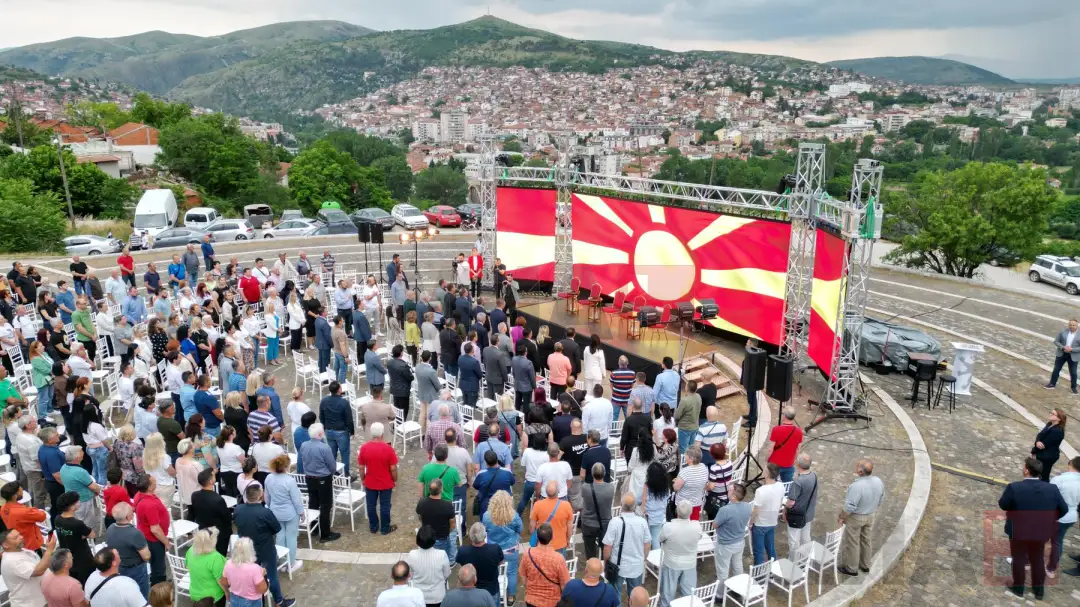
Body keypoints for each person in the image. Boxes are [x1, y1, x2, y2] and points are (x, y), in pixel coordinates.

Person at [996, 457, 1069, 599]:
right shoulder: (1052, 489)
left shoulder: (1014, 487)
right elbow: (1064, 509)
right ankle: (1039, 591)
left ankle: (1018, 588)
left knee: (1018, 558)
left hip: (1018, 530)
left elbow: (1003, 504)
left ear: (1026, 470)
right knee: (1037, 559)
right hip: (1040, 532)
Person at [234, 483, 295, 607]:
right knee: (271, 576)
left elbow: (237, 524)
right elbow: (276, 529)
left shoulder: (238, 509)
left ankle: (257, 597)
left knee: (251, 574)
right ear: (260, 496)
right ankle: (279, 601)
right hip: (265, 549)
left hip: (247, 548)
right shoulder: (265, 512)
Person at [838, 458, 886, 577]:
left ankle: (852, 568)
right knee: (866, 540)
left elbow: (849, 507)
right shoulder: (878, 481)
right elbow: (881, 499)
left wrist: (842, 517)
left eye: (857, 466)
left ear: (860, 471)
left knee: (853, 542)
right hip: (871, 515)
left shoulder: (857, 486)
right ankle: (865, 565)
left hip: (856, 517)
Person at [602, 493, 651, 602]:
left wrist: (606, 562)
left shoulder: (614, 522)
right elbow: (647, 544)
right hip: (636, 566)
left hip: (617, 566)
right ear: (635, 507)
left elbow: (607, 547)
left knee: (615, 595)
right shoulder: (642, 522)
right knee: (634, 596)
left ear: (621, 505)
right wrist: (643, 558)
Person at [481, 490, 523, 604]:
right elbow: (520, 529)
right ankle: (510, 597)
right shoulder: (514, 516)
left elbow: (484, 530)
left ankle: (496, 594)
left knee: (493, 571)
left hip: (492, 550)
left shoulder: (486, 516)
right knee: (511, 572)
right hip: (510, 550)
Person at [263, 455, 303, 572]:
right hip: (290, 513)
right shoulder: (289, 481)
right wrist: (301, 513)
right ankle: (291, 563)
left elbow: (267, 496)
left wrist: (270, 507)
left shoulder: (269, 478)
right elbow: (296, 500)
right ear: (286, 466)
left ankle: (282, 561)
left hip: (275, 511)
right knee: (291, 537)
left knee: (280, 536)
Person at [658, 502, 701, 607]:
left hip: (672, 564)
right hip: (689, 564)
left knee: (667, 594)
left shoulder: (669, 527)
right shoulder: (697, 526)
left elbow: (660, 539)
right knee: (688, 595)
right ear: (690, 513)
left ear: (677, 512)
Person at [358, 422, 399, 535]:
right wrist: (395, 479)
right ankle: (385, 528)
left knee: (371, 505)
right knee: (385, 505)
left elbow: (361, 467)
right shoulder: (388, 449)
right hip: (386, 482)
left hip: (370, 481)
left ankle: (373, 527)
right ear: (382, 434)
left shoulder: (364, 448)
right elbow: (393, 468)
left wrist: (363, 478)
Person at [0, 528, 57, 607]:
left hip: (41, 598)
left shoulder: (22, 550)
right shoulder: (11, 561)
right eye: (15, 538)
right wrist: (49, 550)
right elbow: (38, 571)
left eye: (19, 534)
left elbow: (39, 564)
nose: (21, 537)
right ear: (5, 545)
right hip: (31, 603)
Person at [106, 501, 152, 598]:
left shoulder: (110, 528)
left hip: (118, 567)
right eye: (132, 512)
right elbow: (146, 557)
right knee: (141, 595)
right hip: (135, 569)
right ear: (128, 517)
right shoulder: (135, 533)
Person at [712, 482, 752, 581]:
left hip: (725, 544)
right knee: (737, 566)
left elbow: (715, 525)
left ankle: (720, 594)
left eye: (729, 490)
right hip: (739, 541)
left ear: (734, 496)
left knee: (723, 570)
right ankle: (738, 589)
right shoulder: (747, 506)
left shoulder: (724, 510)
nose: (727, 491)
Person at [53, 491, 96, 584]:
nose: (79, 503)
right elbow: (92, 534)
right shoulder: (77, 523)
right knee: (88, 581)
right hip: (82, 558)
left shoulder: (57, 519)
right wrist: (82, 535)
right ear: (72, 507)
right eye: (77, 502)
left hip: (67, 556)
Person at [405, 526, 452, 607]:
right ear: (434, 540)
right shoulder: (442, 554)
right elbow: (447, 573)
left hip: (419, 596)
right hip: (438, 596)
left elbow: (410, 575)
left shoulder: (412, 554)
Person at [782, 453, 819, 555]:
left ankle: (794, 563)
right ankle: (805, 560)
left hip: (797, 516)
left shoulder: (798, 482)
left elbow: (791, 503)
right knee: (805, 538)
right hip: (809, 513)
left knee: (793, 541)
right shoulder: (814, 475)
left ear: (797, 464)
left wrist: (784, 509)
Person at [456, 523, 504, 599]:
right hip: (491, 591)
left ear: (470, 536)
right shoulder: (495, 549)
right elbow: (501, 563)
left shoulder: (463, 551)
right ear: (485, 536)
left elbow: (461, 566)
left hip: (470, 591)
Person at [1050, 456, 1080, 578]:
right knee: (1058, 541)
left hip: (1056, 516)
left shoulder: (1059, 480)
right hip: (1071, 516)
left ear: (1070, 464)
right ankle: (1051, 567)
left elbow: (1049, 498)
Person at [60, 446, 102, 532]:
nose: (83, 452)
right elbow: (93, 487)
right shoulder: (80, 472)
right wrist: (98, 491)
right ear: (77, 457)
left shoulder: (63, 467)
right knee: (87, 523)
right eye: (81, 451)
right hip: (83, 500)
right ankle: (88, 540)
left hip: (72, 499)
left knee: (77, 520)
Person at [191, 468, 232, 557]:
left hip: (203, 529)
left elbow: (193, 512)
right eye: (213, 475)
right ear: (210, 481)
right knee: (220, 555)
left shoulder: (195, 495)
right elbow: (227, 517)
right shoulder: (218, 499)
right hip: (219, 532)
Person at [221, 537, 272, 607]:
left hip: (234, 597)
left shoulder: (228, 563)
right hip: (251, 601)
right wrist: (264, 576)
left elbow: (224, 582)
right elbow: (262, 590)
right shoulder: (255, 568)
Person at [318, 381, 355, 477]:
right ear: (339, 389)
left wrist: (325, 426)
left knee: (332, 453)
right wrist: (352, 432)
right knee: (345, 454)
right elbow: (349, 420)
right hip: (341, 431)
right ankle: (346, 475)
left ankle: (332, 472)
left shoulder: (324, 401)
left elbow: (321, 416)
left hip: (329, 430)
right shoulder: (344, 403)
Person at [416, 478, 458, 563]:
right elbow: (453, 524)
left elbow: (419, 516)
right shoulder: (447, 505)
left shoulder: (422, 503)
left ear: (429, 489)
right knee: (442, 559)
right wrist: (447, 532)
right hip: (442, 537)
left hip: (426, 537)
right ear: (441, 489)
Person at [0, 481, 48, 554]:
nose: (22, 493)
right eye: (21, 491)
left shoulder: (3, 508)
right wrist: (31, 509)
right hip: (31, 546)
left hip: (17, 543)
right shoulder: (24, 511)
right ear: (14, 496)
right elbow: (42, 516)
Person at [581, 462, 615, 560]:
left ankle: (592, 568)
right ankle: (604, 567)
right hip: (605, 524)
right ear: (604, 473)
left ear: (592, 474)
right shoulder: (610, 488)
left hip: (588, 523)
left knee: (589, 550)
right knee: (605, 548)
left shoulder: (585, 487)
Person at [530, 480, 574, 555]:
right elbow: (570, 526)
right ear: (558, 492)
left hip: (542, 543)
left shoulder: (537, 505)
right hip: (560, 544)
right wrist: (568, 539)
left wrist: (534, 537)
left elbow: (532, 526)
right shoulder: (566, 506)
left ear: (546, 492)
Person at [186, 528, 227, 607]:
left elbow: (187, 567)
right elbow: (222, 582)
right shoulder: (216, 557)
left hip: (195, 593)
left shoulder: (190, 550)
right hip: (212, 598)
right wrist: (227, 593)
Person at [767, 408, 803, 482]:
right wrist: (795, 461)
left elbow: (770, 449)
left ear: (784, 416)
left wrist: (766, 460)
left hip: (775, 464)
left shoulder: (776, 429)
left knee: (772, 483)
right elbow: (798, 449)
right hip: (789, 464)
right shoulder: (799, 431)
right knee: (787, 485)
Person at [673, 447, 709, 521]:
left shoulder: (685, 472)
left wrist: (675, 482)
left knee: (681, 525)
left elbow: (676, 488)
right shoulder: (704, 468)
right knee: (693, 524)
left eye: (686, 454)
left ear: (691, 459)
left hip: (683, 505)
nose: (685, 456)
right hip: (696, 503)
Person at [1032, 408, 1067, 482]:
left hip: (1047, 456)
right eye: (1050, 412)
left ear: (1059, 419)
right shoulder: (1050, 424)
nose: (1050, 414)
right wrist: (1037, 441)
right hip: (1043, 453)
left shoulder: (1057, 431)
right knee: (1038, 473)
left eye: (1053, 414)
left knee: (1043, 475)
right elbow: (1040, 435)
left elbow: (1043, 445)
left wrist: (1034, 452)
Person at [1046, 318, 1080, 393]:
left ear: (1077, 326)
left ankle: (1074, 387)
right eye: (1070, 325)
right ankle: (1052, 384)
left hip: (1073, 356)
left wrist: (1071, 349)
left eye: (1074, 325)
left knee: (1073, 372)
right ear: (1068, 325)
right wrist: (1063, 347)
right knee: (1056, 369)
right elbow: (1056, 341)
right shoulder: (1063, 332)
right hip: (1061, 353)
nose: (1072, 326)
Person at [673, 380, 701, 454]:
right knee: (691, 448)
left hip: (685, 428)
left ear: (687, 388)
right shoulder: (698, 396)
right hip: (695, 426)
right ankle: (690, 463)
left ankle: (683, 464)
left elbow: (677, 415)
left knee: (683, 449)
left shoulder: (684, 401)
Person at [458, 343, 483, 408]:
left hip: (463, 384)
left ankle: (465, 417)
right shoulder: (474, 362)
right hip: (472, 387)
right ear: (472, 350)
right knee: (471, 406)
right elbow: (480, 375)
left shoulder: (460, 358)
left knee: (465, 403)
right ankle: (468, 417)